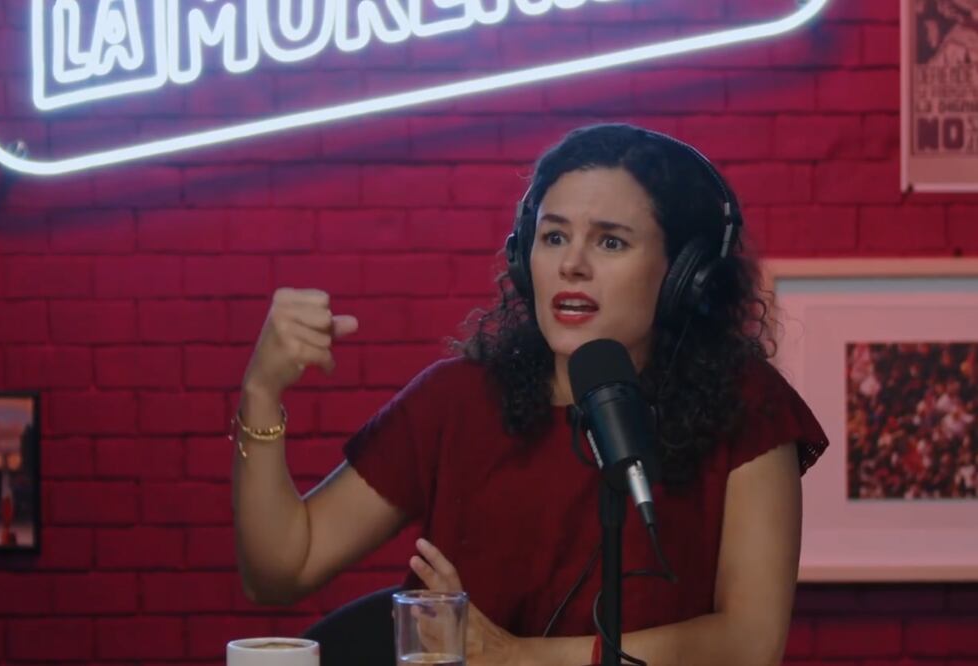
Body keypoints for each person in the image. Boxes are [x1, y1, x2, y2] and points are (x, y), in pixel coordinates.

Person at [232, 123, 828, 665]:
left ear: (682, 276)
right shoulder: (457, 400)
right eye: (553, 236)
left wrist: (517, 658)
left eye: (610, 243)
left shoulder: (748, 406)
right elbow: (283, 567)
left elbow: (750, 643)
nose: (572, 264)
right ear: (524, 258)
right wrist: (262, 390)